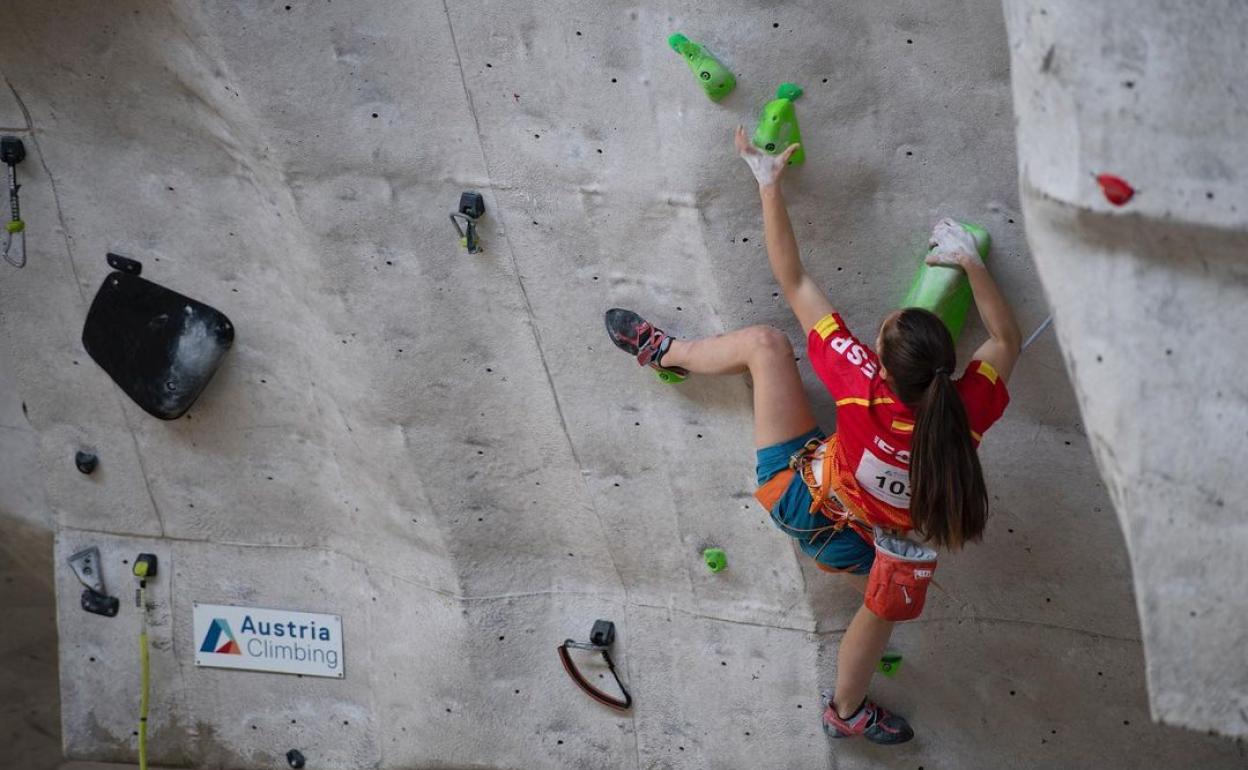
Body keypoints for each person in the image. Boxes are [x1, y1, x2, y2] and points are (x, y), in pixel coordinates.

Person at [604, 127, 1022, 744]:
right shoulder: (969, 411)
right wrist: (974, 264)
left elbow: (794, 280)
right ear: (946, 371)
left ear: (881, 364)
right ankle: (844, 713)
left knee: (764, 344)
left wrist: (768, 185)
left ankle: (669, 353)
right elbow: (1006, 340)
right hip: (855, 546)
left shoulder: (858, 381)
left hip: (797, 490)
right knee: (883, 607)